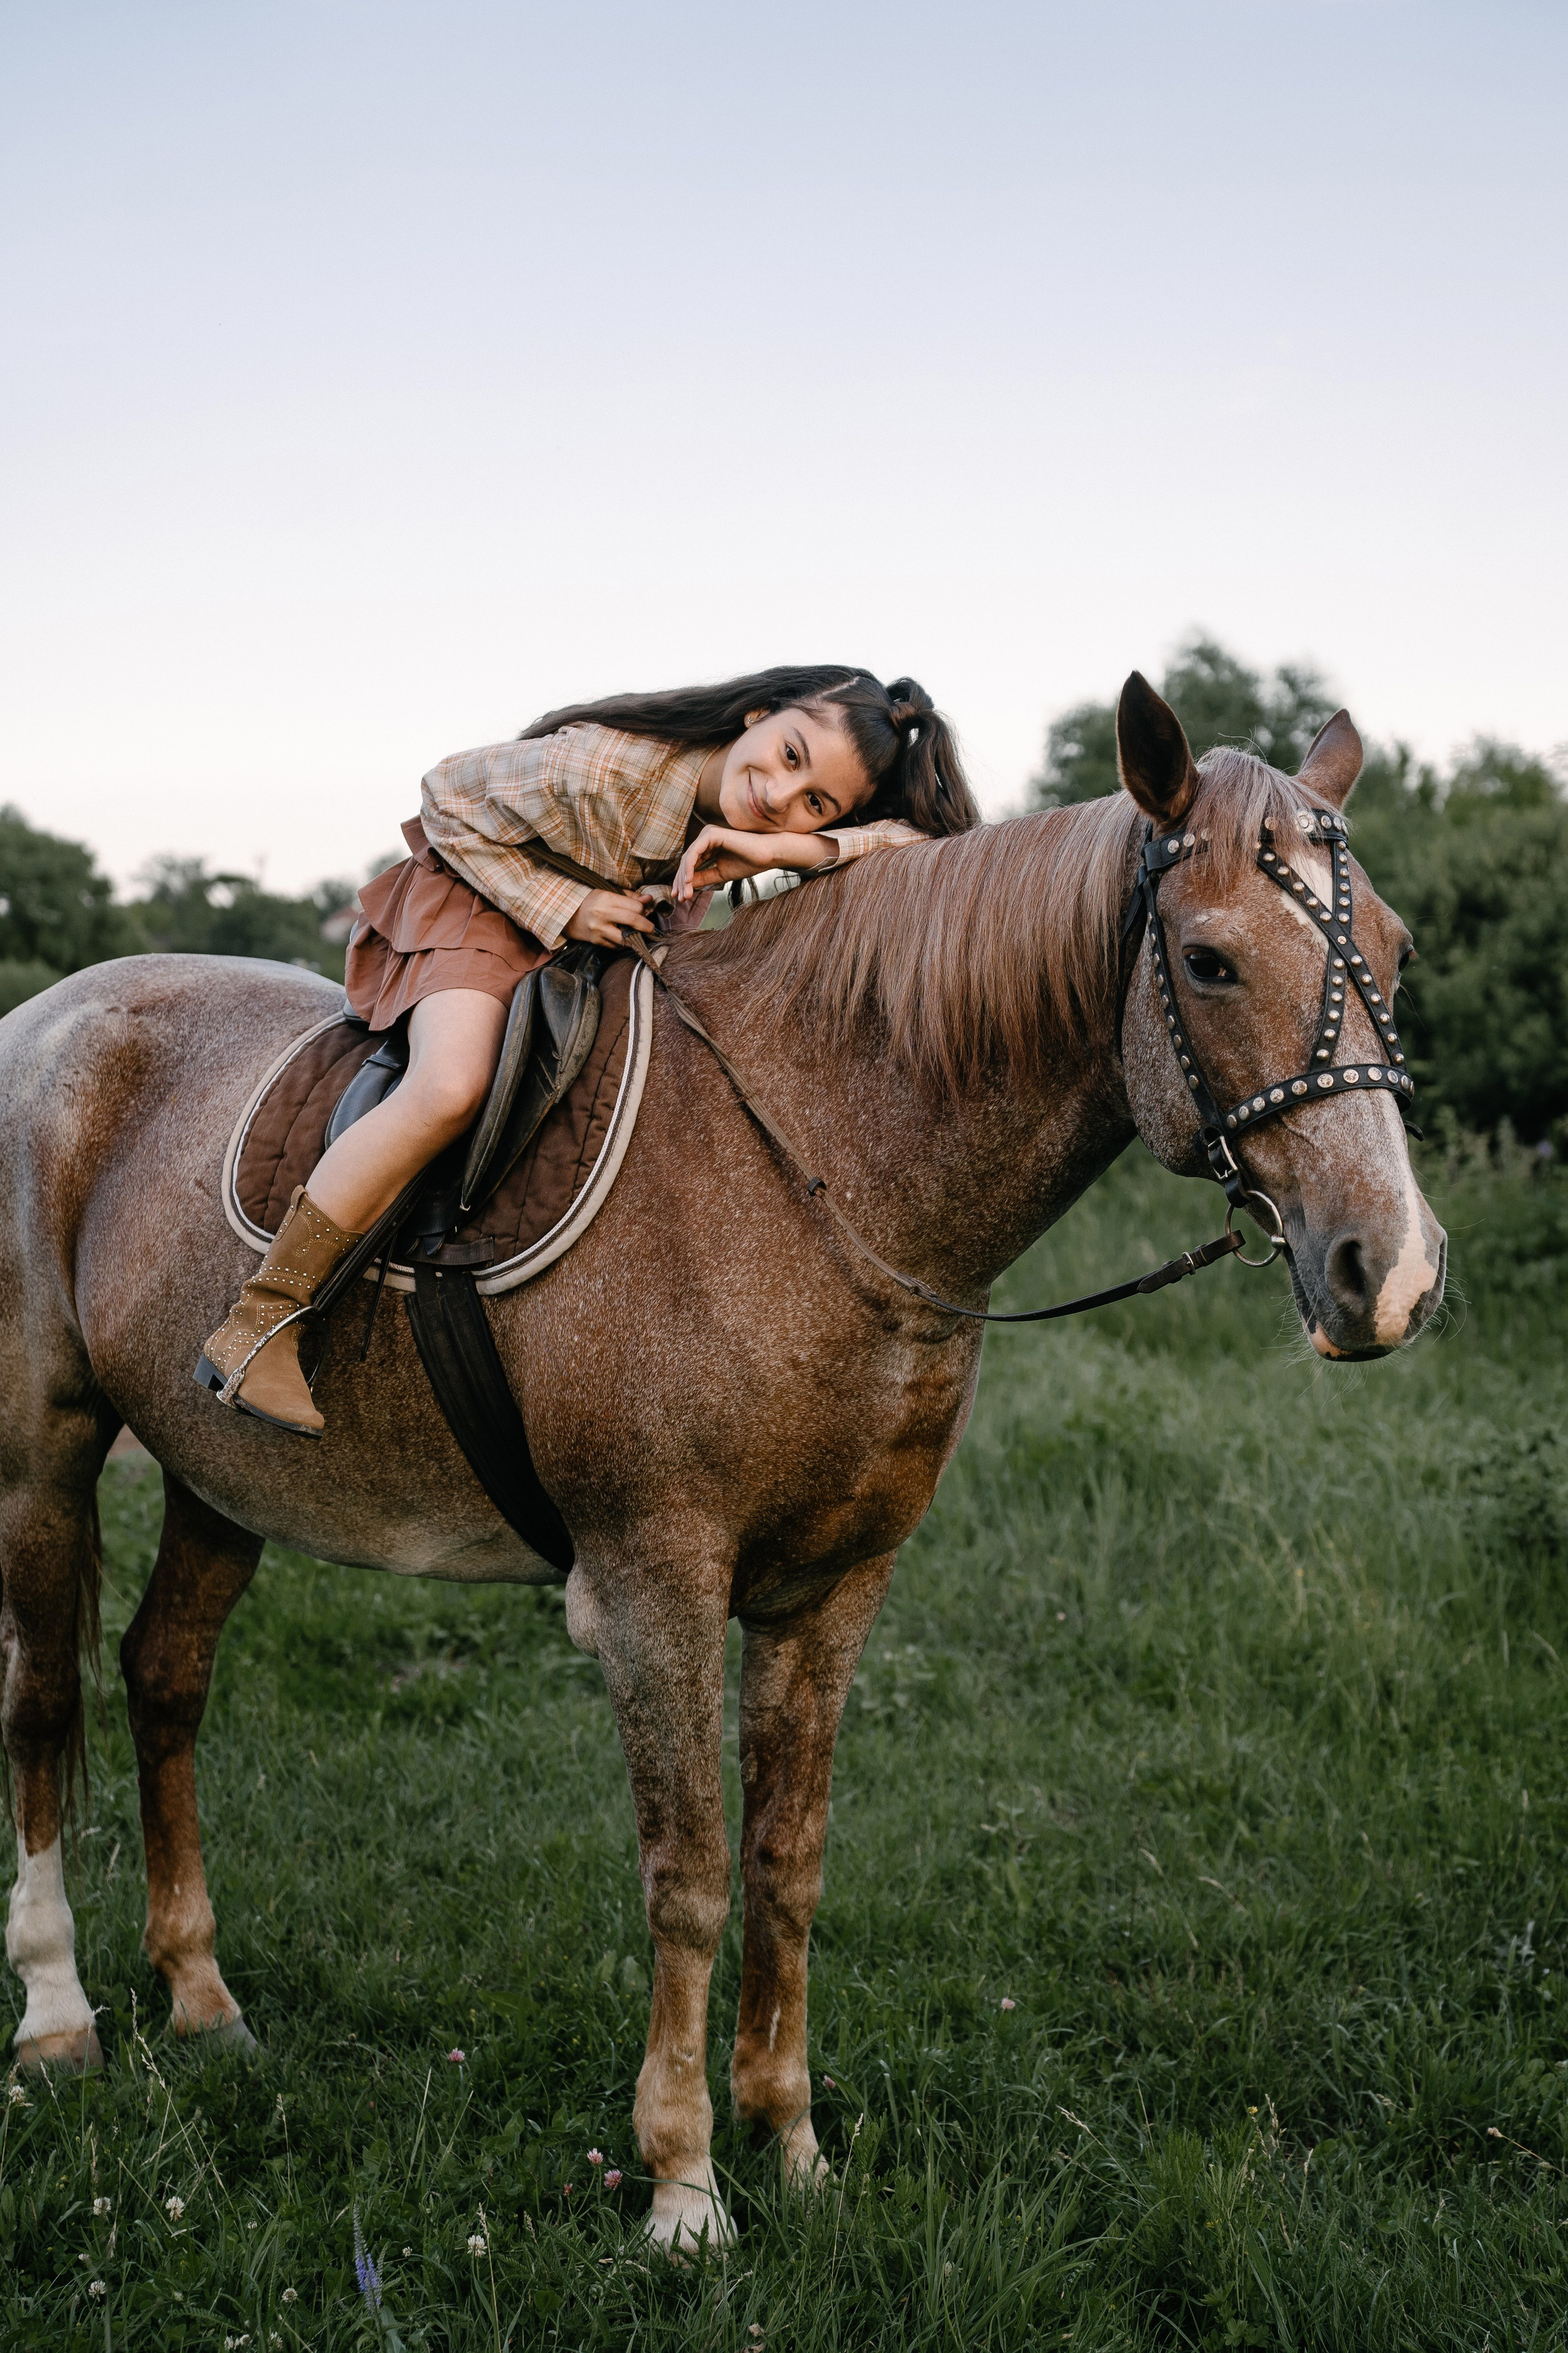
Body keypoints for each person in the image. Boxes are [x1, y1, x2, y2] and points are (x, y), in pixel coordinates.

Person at [197, 665, 979, 1435]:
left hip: (594, 939)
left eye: (816, 803)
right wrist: (567, 905)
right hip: (483, 898)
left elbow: (916, 844)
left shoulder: (758, 823)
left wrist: (789, 852)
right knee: (451, 1085)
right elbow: (444, 792)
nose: (779, 796)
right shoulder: (608, 769)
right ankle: (263, 1320)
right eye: (790, 754)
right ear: (759, 715)